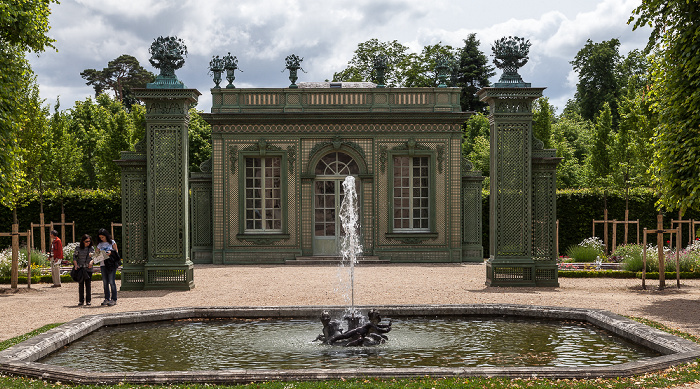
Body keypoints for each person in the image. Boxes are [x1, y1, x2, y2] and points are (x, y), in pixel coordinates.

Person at [96, 228, 119, 306]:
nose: (101, 239)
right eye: (100, 237)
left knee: (112, 281)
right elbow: (97, 254)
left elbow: (116, 253)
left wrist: (111, 252)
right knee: (105, 282)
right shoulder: (100, 244)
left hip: (111, 264)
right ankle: (107, 298)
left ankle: (114, 299)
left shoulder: (112, 242)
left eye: (103, 237)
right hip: (103, 264)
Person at [73, 234, 94, 306]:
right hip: (81, 268)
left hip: (88, 268)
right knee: (81, 285)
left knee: (88, 285)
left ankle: (88, 300)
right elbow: (74, 257)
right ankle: (81, 301)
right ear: (83, 241)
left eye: (89, 241)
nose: (88, 243)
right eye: (86, 241)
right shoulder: (78, 248)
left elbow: (94, 257)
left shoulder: (91, 248)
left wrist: (91, 262)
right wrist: (76, 265)